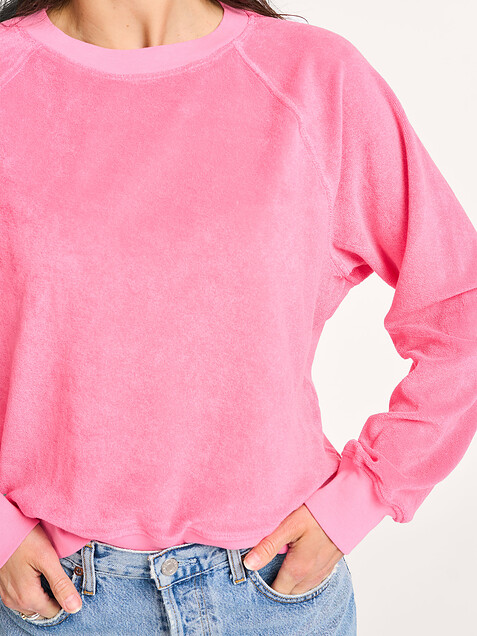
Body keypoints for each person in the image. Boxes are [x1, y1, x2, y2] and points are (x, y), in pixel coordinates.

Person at [0, 0, 475, 634]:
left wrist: (363, 496)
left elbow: (459, 303)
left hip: (274, 592)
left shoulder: (315, 78)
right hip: (51, 599)